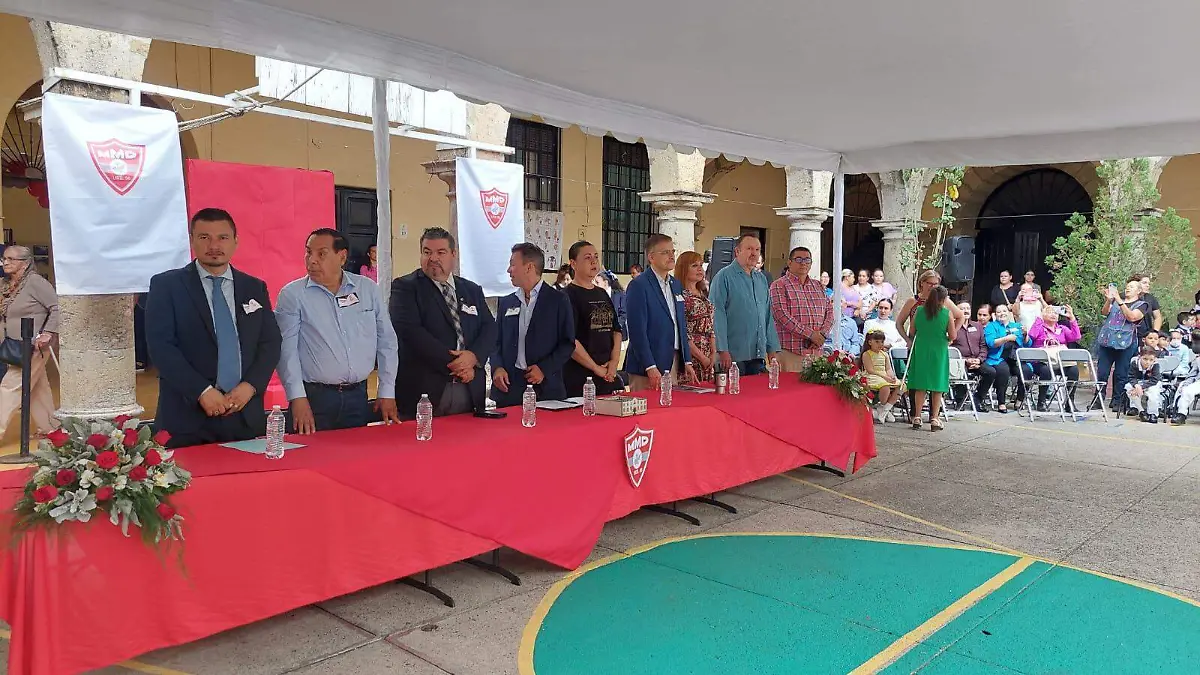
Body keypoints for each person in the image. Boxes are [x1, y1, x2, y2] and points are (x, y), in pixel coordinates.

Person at [146, 208, 282, 448]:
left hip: (243, 415)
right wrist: (201, 391)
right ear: (192, 240)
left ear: (236, 241)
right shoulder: (166, 285)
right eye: (204, 237)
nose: (214, 245)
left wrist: (250, 386)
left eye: (223, 237)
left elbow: (270, 343)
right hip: (186, 417)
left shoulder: (254, 287)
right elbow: (161, 347)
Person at [277, 228, 399, 433]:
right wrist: (296, 397)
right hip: (315, 398)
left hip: (358, 396)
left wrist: (387, 390)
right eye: (308, 252)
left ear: (342, 257)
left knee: (356, 451)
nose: (312, 260)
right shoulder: (293, 295)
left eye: (321, 254)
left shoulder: (367, 289)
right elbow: (285, 351)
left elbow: (386, 341)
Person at [390, 227, 496, 418]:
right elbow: (411, 333)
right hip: (426, 389)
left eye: (441, 252)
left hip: (470, 388)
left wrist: (473, 357)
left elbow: (489, 327)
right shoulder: (405, 287)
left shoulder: (471, 290)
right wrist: (457, 365)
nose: (433, 258)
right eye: (427, 252)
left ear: (453, 254)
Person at [490, 243, 575, 407]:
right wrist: (497, 367)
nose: (509, 270)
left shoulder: (558, 300)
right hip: (510, 388)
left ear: (529, 267)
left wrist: (544, 369)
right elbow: (495, 341)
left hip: (545, 388)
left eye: (513, 264)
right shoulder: (507, 302)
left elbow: (567, 344)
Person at [0, 245, 60, 441]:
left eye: (11, 259)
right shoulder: (6, 284)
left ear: (25, 263)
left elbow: (57, 307)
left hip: (33, 346)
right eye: (4, 259)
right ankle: (52, 429)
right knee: (36, 389)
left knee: (9, 388)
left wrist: (48, 333)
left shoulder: (35, 282)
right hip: (14, 345)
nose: (5, 262)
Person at [623, 234, 697, 390]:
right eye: (665, 252)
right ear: (651, 257)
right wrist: (649, 366)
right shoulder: (639, 285)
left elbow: (680, 323)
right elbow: (637, 331)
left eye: (672, 251)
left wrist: (687, 360)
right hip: (648, 365)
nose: (671, 256)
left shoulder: (675, 284)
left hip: (672, 360)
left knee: (670, 405)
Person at [710, 234, 780, 375]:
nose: (754, 253)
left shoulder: (761, 279)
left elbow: (767, 316)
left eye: (757, 249)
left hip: (757, 355)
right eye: (749, 249)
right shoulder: (723, 277)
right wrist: (722, 350)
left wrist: (772, 349)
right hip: (733, 356)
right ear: (737, 251)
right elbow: (717, 315)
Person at [563, 242, 624, 397]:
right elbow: (570, 340)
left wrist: (614, 362)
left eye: (596, 257)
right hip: (580, 376)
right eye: (587, 257)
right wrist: (596, 368)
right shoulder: (567, 296)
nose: (593, 261)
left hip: (607, 373)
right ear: (573, 263)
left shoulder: (602, 293)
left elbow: (616, 330)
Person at [769, 246, 833, 372]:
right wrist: (811, 335)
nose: (803, 263)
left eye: (807, 260)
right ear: (789, 262)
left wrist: (821, 335)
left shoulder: (818, 285)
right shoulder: (779, 285)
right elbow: (782, 316)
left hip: (816, 352)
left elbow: (830, 312)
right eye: (798, 259)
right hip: (790, 353)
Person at [905, 284, 954, 431]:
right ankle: (934, 418)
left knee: (920, 384)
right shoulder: (947, 313)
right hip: (939, 349)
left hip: (921, 348)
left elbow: (911, 330)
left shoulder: (919, 311)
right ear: (944, 299)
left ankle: (917, 416)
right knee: (937, 385)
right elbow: (953, 335)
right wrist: (946, 338)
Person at [1094, 280, 1146, 412]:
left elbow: (1132, 317)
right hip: (1108, 340)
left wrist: (1118, 300)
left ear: (1139, 291)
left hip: (1126, 342)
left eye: (1132, 287)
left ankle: (1118, 401)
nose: (1128, 289)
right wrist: (1109, 300)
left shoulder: (1142, 305)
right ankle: (1098, 399)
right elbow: (1104, 312)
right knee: (1102, 372)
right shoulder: (1116, 301)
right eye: (1127, 286)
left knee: (1121, 373)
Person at [1026, 303, 1082, 412]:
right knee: (1046, 370)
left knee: (1074, 370)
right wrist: (1039, 318)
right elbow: (1032, 335)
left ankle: (1070, 402)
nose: (1053, 315)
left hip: (1059, 362)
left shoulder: (1062, 328)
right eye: (1049, 312)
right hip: (1041, 362)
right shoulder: (1039, 326)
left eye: (1055, 313)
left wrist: (1072, 318)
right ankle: (1041, 401)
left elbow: (1076, 337)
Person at [675, 251, 717, 383]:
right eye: (694, 265)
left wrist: (713, 352)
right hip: (691, 354)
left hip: (708, 351)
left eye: (701, 265)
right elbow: (684, 332)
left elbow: (711, 326)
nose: (700, 269)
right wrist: (702, 358)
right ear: (684, 269)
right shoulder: (680, 296)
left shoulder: (703, 293)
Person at [951, 302, 995, 412]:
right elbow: (950, 348)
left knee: (991, 372)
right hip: (959, 361)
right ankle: (960, 400)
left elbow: (983, 346)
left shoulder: (977, 326)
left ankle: (977, 399)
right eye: (962, 308)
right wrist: (965, 360)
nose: (966, 311)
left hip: (976, 360)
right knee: (961, 371)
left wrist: (979, 360)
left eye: (968, 308)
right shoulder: (952, 326)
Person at [983, 304, 1027, 414]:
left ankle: (1020, 399)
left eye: (1004, 311)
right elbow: (991, 343)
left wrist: (1026, 334)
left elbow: (1027, 343)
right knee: (1003, 370)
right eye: (999, 312)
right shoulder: (991, 326)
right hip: (998, 357)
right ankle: (1001, 402)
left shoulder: (1017, 326)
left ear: (1009, 313)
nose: (1002, 313)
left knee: (1026, 371)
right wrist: (1006, 338)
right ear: (995, 315)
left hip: (1015, 358)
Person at [862, 330, 902, 424]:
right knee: (885, 386)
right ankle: (882, 405)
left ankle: (885, 409)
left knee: (901, 386)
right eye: (877, 342)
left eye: (882, 342)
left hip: (884, 375)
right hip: (873, 376)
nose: (880, 344)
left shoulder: (885, 354)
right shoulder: (866, 354)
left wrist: (891, 376)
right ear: (870, 342)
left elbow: (888, 368)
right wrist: (885, 377)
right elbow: (870, 370)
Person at [1125, 346, 1163, 422]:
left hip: (1152, 383)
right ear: (1140, 357)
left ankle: (1153, 413)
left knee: (1153, 392)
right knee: (1129, 388)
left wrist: (1142, 387)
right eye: (1145, 359)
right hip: (1138, 382)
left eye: (1151, 360)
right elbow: (1131, 376)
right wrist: (1136, 385)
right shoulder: (1135, 363)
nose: (1148, 362)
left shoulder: (1155, 365)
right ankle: (1141, 411)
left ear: (1154, 359)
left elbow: (1154, 380)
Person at [1168, 340, 1200, 425]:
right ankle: (1181, 414)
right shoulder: (1198, 360)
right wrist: (1186, 384)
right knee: (1186, 390)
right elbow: (1192, 375)